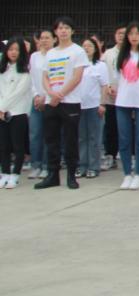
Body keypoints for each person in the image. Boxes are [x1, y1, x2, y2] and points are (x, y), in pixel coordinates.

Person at [36, 17, 89, 190]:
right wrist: (51, 93)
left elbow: (77, 77)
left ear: (72, 31)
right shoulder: (51, 53)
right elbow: (45, 77)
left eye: (66, 28)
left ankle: (72, 175)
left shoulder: (78, 51)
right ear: (55, 32)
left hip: (70, 102)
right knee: (51, 140)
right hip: (51, 102)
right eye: (60, 28)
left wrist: (60, 94)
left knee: (70, 140)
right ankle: (52, 175)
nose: (63, 31)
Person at [113, 22, 139, 191]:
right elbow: (118, 80)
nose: (134, 37)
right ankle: (127, 174)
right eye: (131, 34)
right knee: (124, 139)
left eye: (137, 33)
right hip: (122, 102)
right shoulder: (122, 55)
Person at [0, 38, 31, 188]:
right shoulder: (3, 69)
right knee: (3, 146)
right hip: (1, 113)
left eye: (17, 50)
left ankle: (15, 175)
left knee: (18, 146)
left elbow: (18, 93)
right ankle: (5, 173)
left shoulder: (25, 71)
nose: (13, 52)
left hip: (18, 112)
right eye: (11, 49)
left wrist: (2, 107)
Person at [78, 37, 110, 179]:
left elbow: (104, 86)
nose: (86, 48)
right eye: (84, 46)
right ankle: (82, 166)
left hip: (94, 106)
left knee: (94, 138)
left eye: (89, 46)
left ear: (95, 49)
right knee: (81, 138)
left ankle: (93, 167)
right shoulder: (78, 66)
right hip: (79, 106)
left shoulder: (100, 65)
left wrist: (102, 104)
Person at [27, 28, 53, 179]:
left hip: (50, 100)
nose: (44, 40)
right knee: (35, 134)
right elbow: (31, 78)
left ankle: (46, 165)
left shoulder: (56, 55)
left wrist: (45, 96)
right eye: (42, 38)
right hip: (36, 101)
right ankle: (35, 165)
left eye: (47, 37)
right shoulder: (34, 56)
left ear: (54, 39)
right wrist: (36, 95)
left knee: (49, 135)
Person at [101, 25, 125, 170]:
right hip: (111, 96)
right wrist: (108, 86)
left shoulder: (131, 53)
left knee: (126, 128)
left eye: (124, 33)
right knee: (111, 127)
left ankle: (129, 155)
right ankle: (110, 155)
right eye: (119, 33)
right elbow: (102, 73)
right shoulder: (108, 54)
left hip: (127, 97)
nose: (121, 36)